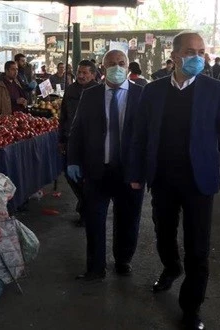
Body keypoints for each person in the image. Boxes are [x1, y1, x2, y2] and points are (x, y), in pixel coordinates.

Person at [127, 31, 220, 330]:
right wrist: (135, 172)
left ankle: (191, 307)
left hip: (200, 180)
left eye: (201, 51)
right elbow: (139, 135)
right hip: (164, 179)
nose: (197, 57)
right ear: (174, 55)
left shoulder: (215, 89)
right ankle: (171, 267)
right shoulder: (153, 91)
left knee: (198, 246)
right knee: (163, 233)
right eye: (190, 51)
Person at [67, 49, 145, 281]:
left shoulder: (142, 95)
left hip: (129, 172)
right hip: (97, 171)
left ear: (129, 66)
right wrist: (72, 159)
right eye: (111, 64)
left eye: (122, 63)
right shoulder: (90, 95)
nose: (117, 67)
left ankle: (123, 260)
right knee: (94, 220)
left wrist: (145, 169)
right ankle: (95, 268)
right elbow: (77, 130)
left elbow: (150, 135)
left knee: (128, 220)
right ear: (102, 68)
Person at [58, 60, 99, 227]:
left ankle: (87, 211)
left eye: (85, 73)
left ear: (93, 75)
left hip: (91, 143)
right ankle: (84, 204)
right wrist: (61, 139)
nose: (81, 75)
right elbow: (63, 115)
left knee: (89, 178)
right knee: (71, 176)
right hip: (70, 139)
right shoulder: (71, 90)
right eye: (79, 72)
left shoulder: (99, 91)